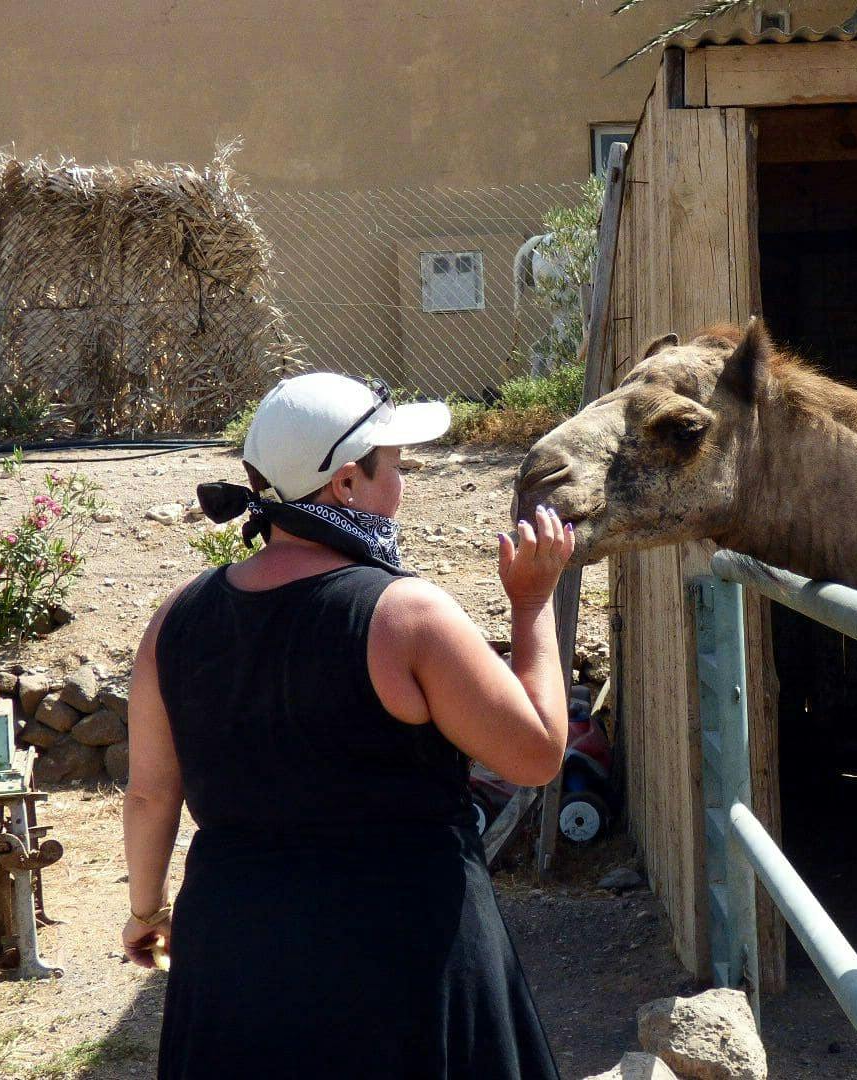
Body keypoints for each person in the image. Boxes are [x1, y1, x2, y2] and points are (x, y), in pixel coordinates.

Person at [120, 371, 572, 1078]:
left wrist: (146, 909)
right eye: (391, 465)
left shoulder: (174, 618)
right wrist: (532, 603)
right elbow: (538, 753)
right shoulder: (406, 616)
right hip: (401, 955)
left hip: (237, 954)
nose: (402, 483)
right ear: (347, 486)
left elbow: (149, 793)